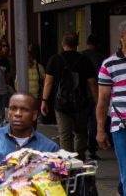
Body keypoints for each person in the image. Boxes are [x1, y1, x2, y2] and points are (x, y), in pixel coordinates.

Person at [96, 19, 126, 195]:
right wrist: (100, 130)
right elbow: (103, 100)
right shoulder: (109, 65)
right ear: (122, 38)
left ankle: (122, 191)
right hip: (123, 126)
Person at [41, 32, 98, 160]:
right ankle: (79, 160)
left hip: (62, 103)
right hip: (81, 102)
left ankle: (68, 163)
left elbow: (48, 82)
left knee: (65, 135)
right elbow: (92, 83)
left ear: (63, 44)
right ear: (77, 45)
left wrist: (44, 101)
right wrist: (98, 101)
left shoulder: (55, 59)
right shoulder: (84, 60)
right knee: (81, 133)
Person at [0, 94, 59, 172]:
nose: (17, 114)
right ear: (8, 113)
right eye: (13, 109)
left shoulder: (49, 147)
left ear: (34, 115)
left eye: (24, 110)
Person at [81, 34, 107, 160]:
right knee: (93, 122)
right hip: (98, 92)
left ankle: (80, 147)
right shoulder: (102, 58)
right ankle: (92, 149)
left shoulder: (81, 56)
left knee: (81, 123)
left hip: (81, 94)